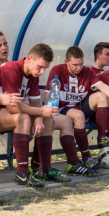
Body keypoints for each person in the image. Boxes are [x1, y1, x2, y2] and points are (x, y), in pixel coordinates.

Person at [0, 43, 71, 187]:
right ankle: (22, 173)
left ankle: (44, 168)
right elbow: (13, 107)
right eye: (40, 67)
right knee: (24, 118)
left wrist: (40, 118)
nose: (42, 72)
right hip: (5, 111)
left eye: (45, 68)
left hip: (7, 112)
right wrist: (39, 112)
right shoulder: (11, 68)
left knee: (48, 118)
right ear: (30, 58)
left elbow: (36, 102)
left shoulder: (33, 75)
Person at [44, 46, 109, 166]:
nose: (78, 68)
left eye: (81, 64)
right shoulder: (57, 70)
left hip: (79, 106)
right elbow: (48, 94)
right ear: (66, 62)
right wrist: (50, 112)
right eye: (74, 65)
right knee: (79, 115)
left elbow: (102, 86)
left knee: (101, 96)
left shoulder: (87, 71)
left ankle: (102, 137)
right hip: (62, 108)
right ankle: (86, 157)